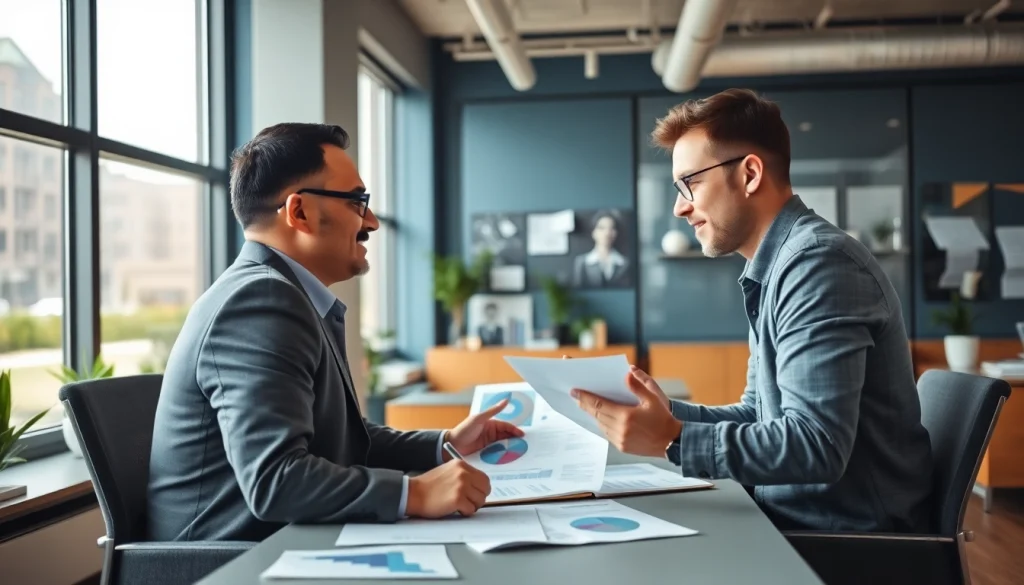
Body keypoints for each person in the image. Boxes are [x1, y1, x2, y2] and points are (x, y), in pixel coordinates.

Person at [571, 89, 934, 533]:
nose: (679, 206)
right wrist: (669, 416)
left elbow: (816, 445)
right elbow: (760, 415)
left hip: (851, 546)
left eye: (691, 182)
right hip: (799, 525)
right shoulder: (779, 265)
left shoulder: (818, 263)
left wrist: (672, 438)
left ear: (750, 174)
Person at [146, 123, 522, 542]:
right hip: (229, 563)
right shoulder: (259, 302)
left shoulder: (283, 294)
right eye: (358, 202)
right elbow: (276, 481)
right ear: (299, 212)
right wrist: (414, 493)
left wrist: (444, 442)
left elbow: (339, 440)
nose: (373, 222)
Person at [572, 210, 630, 287]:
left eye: (611, 228)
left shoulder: (624, 263)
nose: (607, 233)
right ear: (593, 232)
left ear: (616, 233)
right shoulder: (582, 262)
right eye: (601, 228)